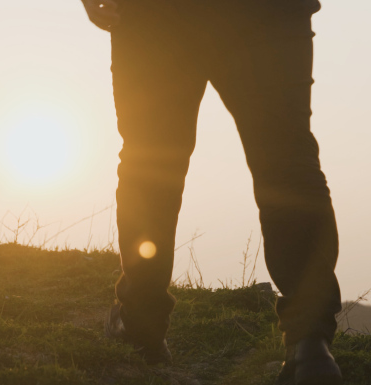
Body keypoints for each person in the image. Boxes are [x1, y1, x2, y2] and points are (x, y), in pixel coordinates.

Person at [80, 0, 343, 384]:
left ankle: (141, 322)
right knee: (287, 164)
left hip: (157, 13)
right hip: (267, 13)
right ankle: (310, 345)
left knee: (152, 163)